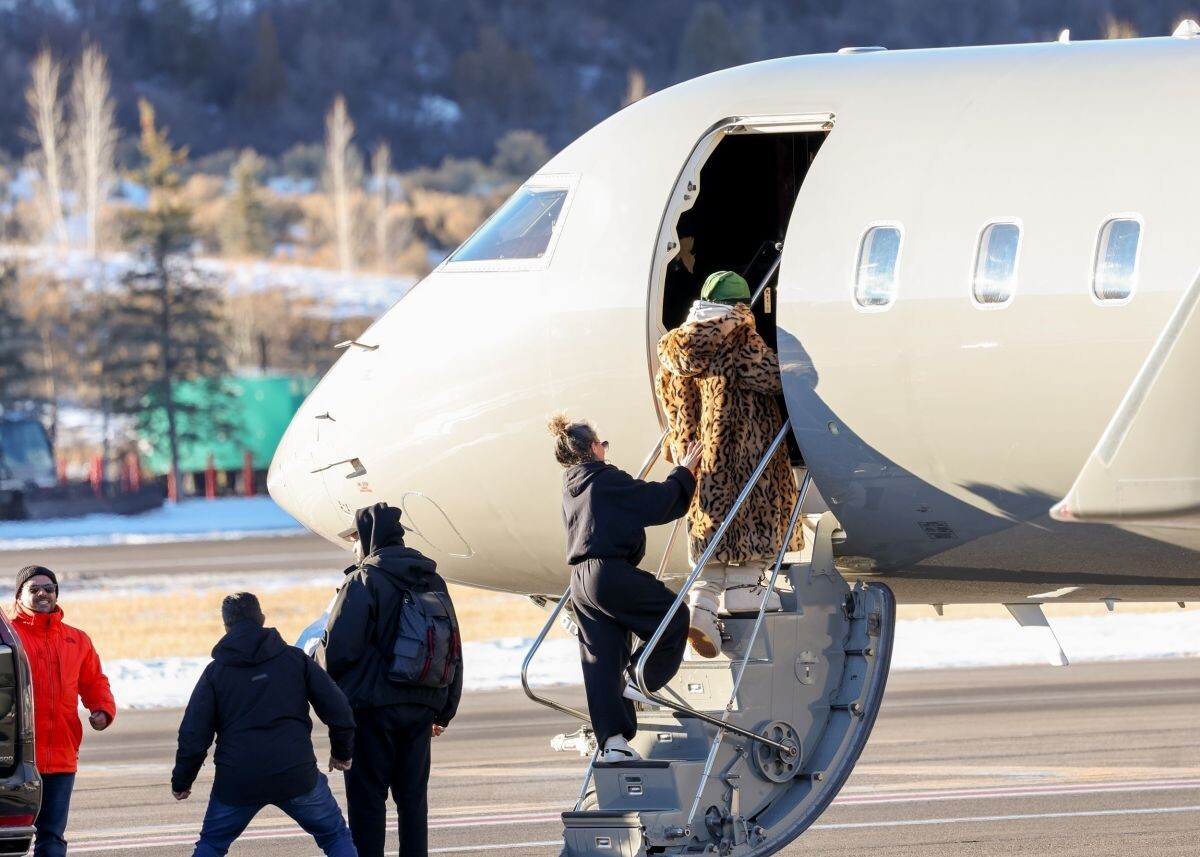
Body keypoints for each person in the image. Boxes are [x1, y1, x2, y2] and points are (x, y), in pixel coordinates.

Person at [655, 270, 803, 658]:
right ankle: (745, 588)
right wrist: (797, 366)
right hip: (746, 454)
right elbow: (770, 377)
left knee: (712, 532)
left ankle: (701, 608)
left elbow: (671, 402)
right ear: (739, 305)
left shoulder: (674, 347)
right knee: (758, 518)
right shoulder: (737, 335)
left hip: (699, 461)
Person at [549, 414, 702, 763]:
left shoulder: (571, 486)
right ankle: (641, 677)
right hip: (609, 573)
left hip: (580, 582)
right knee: (673, 616)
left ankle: (613, 742)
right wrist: (683, 472)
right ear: (593, 448)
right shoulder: (604, 478)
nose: (605, 450)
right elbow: (657, 502)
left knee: (602, 660)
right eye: (603, 444)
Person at [316, 502, 463, 857]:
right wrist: (444, 710)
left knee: (368, 803)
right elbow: (453, 647)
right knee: (413, 802)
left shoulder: (364, 579)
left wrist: (317, 668)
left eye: (355, 539)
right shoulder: (432, 579)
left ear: (369, 538)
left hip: (372, 711)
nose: (354, 547)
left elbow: (339, 650)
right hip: (422, 707)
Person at [171, 592, 357, 857]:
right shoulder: (295, 660)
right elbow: (339, 710)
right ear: (262, 618)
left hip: (238, 778)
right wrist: (342, 753)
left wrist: (182, 781)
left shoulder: (215, 673)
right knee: (335, 836)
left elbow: (193, 735)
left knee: (212, 843)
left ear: (226, 626)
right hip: (295, 772)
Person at [7, 565, 114, 857]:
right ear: (19, 595)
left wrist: (102, 709)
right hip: (15, 759)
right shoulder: (8, 636)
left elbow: (94, 681)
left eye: (49, 588)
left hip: (61, 756)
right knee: (8, 837)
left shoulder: (76, 639)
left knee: (52, 837)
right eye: (34, 589)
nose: (43, 593)